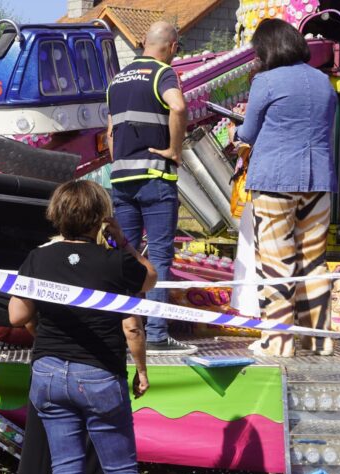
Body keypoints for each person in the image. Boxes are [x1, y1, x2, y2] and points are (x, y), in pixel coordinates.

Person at [9, 180, 156, 474]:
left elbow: (17, 315)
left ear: (57, 215)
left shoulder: (38, 258)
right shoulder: (116, 261)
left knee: (65, 470)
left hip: (48, 372)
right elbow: (146, 290)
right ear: (102, 216)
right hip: (99, 374)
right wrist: (125, 243)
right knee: (121, 473)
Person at [234, 19, 337, 357]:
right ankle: (318, 340)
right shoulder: (324, 82)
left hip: (275, 180)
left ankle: (277, 342)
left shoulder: (265, 81)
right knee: (313, 261)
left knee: (277, 261)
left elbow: (247, 133)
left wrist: (237, 134)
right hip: (319, 181)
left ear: (268, 49)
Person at [106, 21, 195, 355]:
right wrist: (174, 150)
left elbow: (111, 130)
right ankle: (156, 333)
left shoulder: (116, 80)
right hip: (156, 179)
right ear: (171, 46)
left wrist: (121, 162)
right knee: (158, 254)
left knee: (123, 258)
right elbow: (179, 107)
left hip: (122, 180)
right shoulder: (162, 74)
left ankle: (124, 334)